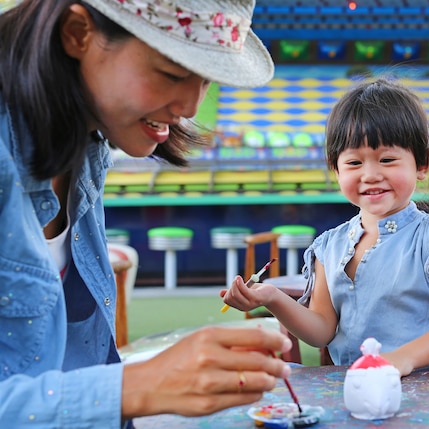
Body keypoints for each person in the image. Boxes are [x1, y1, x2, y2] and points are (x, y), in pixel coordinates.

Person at [0, 0, 293, 427]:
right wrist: (137, 385)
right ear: (77, 33)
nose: (192, 106)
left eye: (206, 79)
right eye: (172, 73)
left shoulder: (84, 145)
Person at [222, 78, 429, 376]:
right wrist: (273, 298)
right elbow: (322, 331)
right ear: (336, 169)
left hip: (424, 392)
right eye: (354, 163)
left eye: (387, 159)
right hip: (353, 390)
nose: (370, 175)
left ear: (423, 164)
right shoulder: (327, 247)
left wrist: (402, 359)